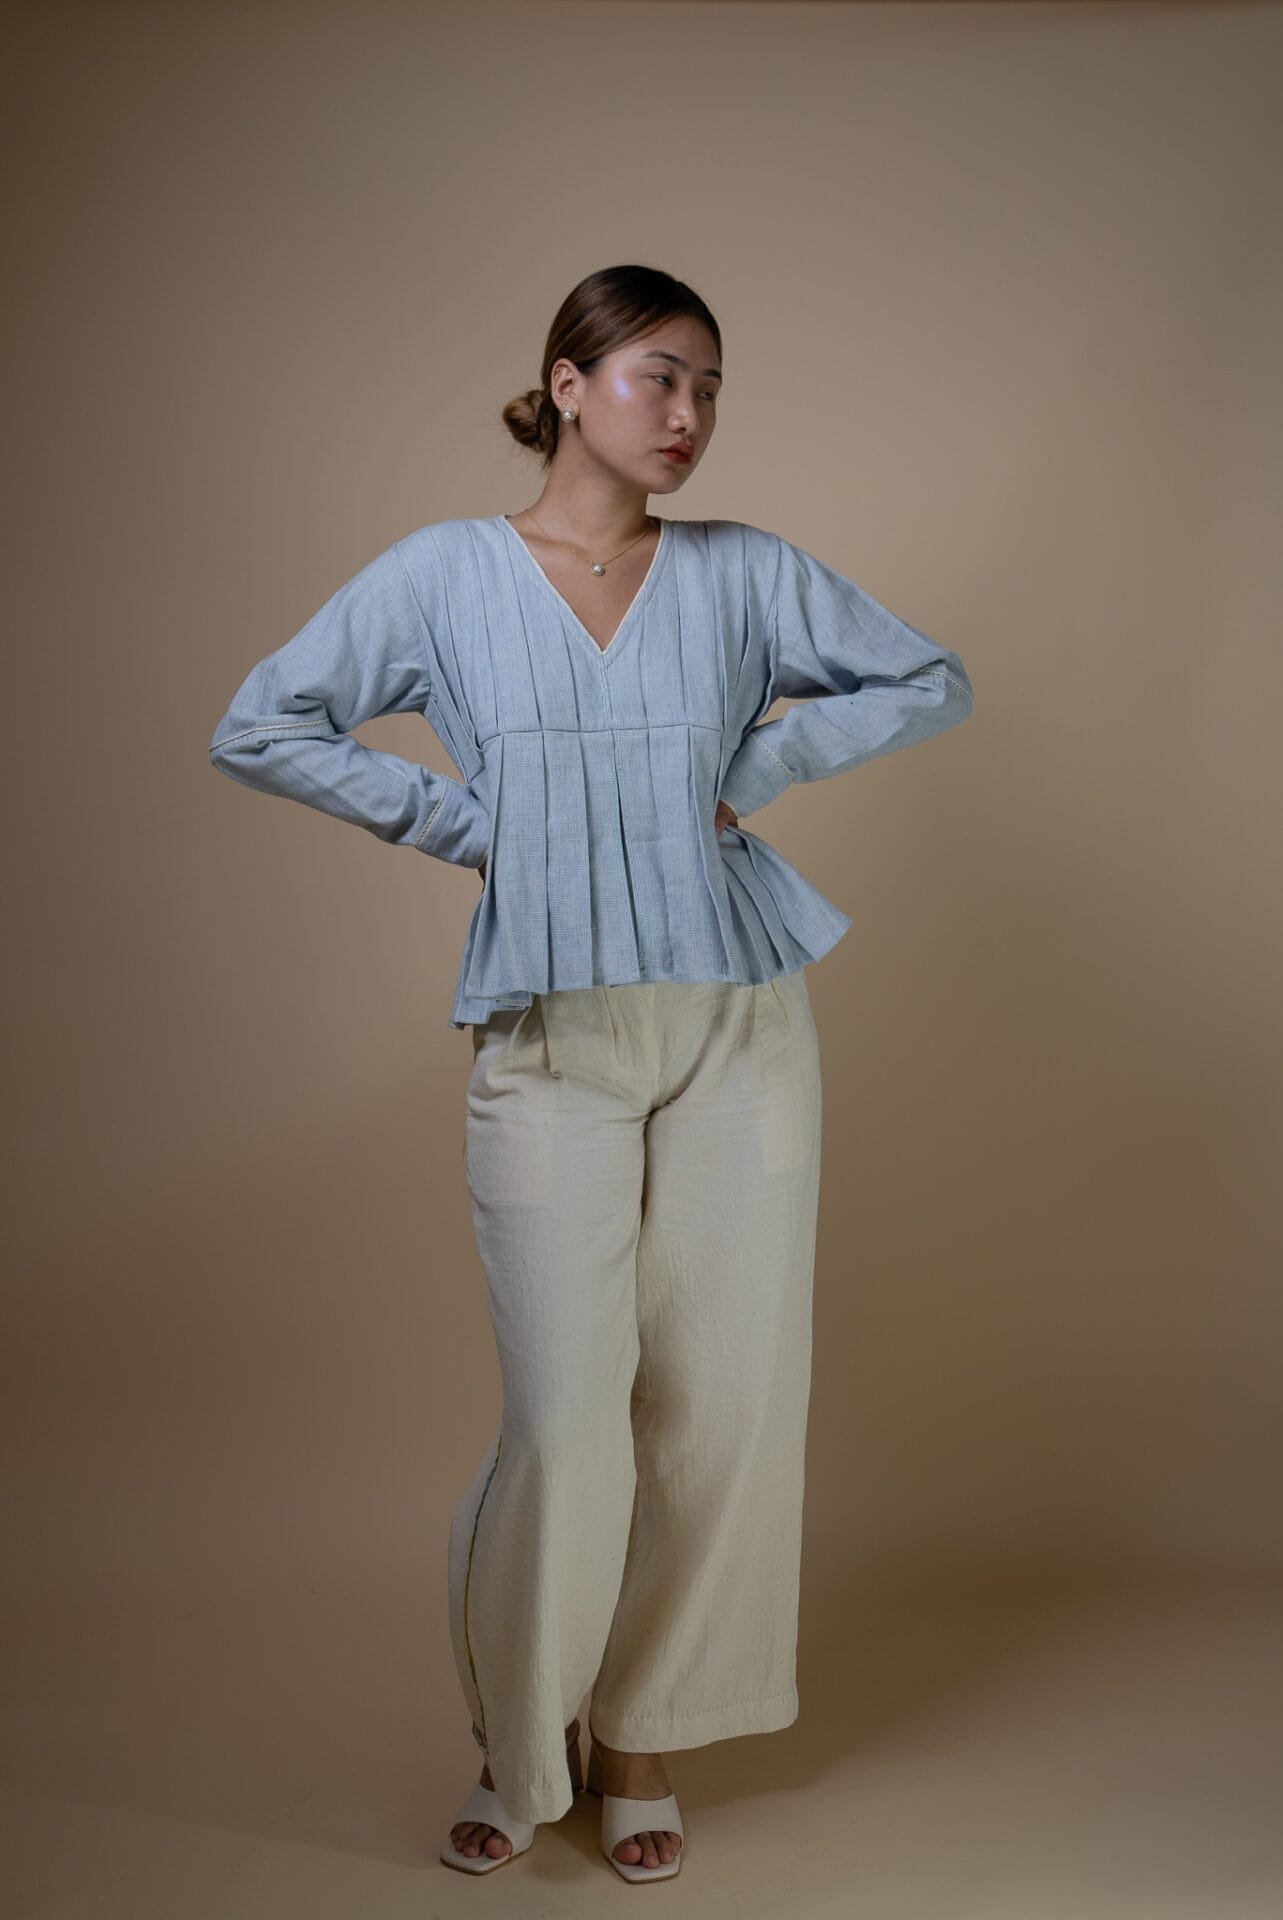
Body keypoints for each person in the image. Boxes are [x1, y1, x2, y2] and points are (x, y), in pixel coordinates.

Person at [208, 263, 975, 1882]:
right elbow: (261, 724)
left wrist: (762, 757)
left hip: (739, 1023)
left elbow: (932, 676)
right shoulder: (443, 574)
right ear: (567, 383)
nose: (689, 413)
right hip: (551, 1036)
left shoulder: (746, 572)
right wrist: (464, 822)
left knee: (727, 1407)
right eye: (658, 377)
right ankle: (520, 1742)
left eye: (710, 387)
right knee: (567, 1420)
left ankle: (642, 1736)